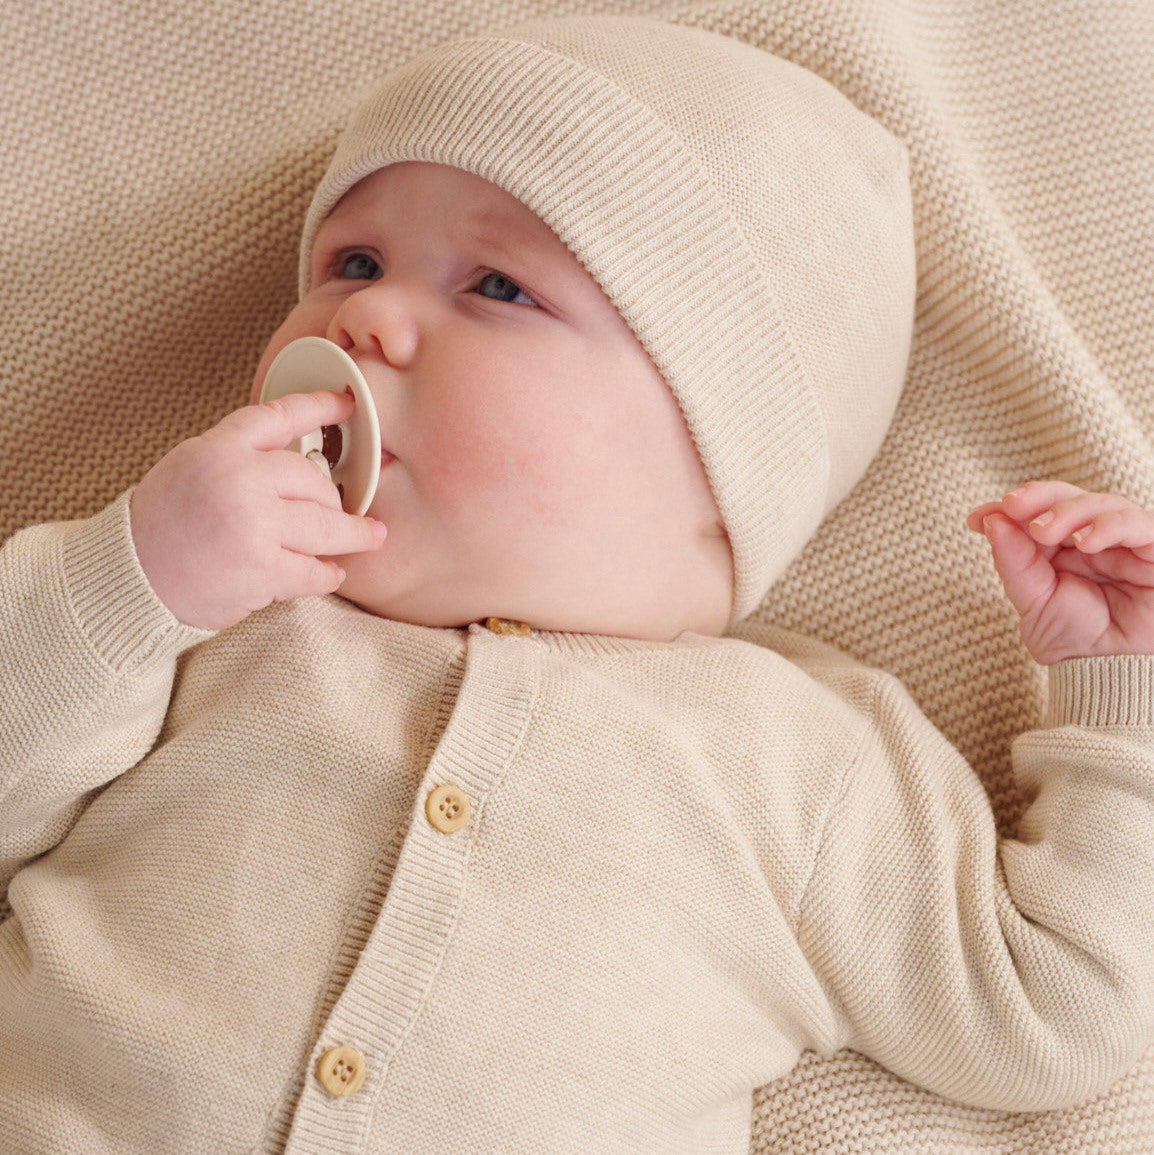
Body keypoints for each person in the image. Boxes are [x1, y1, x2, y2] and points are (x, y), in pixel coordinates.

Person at [1, 15, 1152, 1154]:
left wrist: (1115, 692)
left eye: (497, 286)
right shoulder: (219, 613)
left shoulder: (804, 762)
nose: (364, 316)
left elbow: (1053, 1011)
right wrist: (135, 577)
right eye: (352, 261)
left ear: (723, 447)